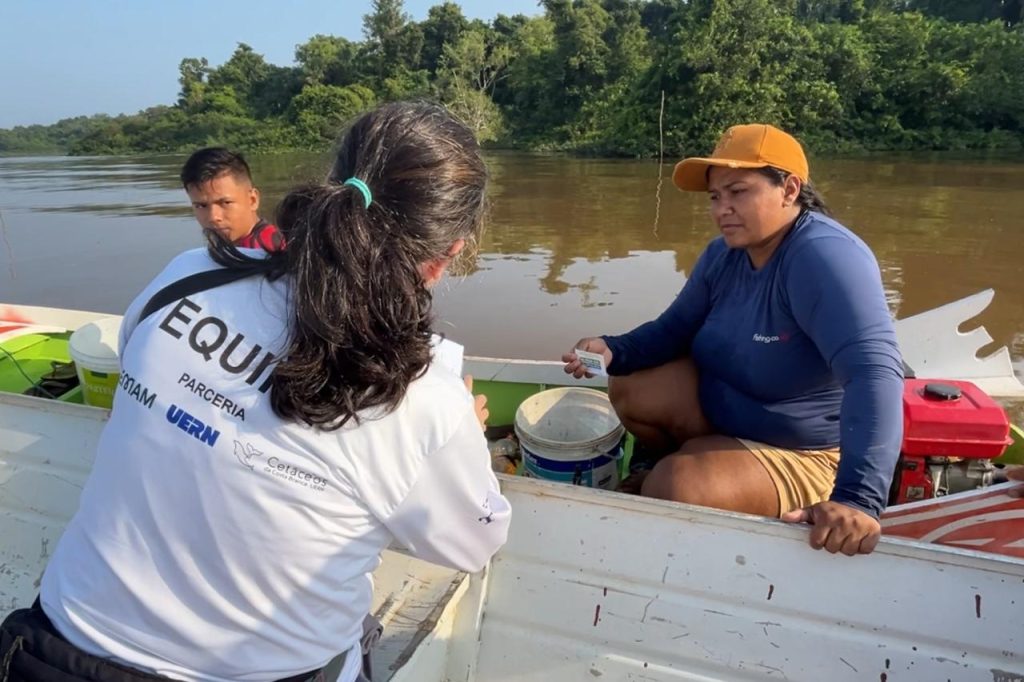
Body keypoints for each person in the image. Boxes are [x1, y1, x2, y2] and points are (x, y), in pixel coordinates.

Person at [1, 102, 510, 681]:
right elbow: (472, 546)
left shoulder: (186, 275)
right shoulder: (425, 397)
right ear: (448, 255)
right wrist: (462, 430)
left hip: (51, 652)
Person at [563, 123, 904, 556]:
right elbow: (673, 331)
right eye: (714, 197)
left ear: (790, 189)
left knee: (676, 486)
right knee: (631, 382)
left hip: (807, 450)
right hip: (730, 417)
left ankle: (679, 477)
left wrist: (858, 499)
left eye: (738, 192)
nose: (722, 209)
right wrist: (613, 348)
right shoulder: (723, 254)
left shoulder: (825, 256)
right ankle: (679, 467)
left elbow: (875, 375)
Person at [181, 147, 285, 251]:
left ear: (253, 200)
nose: (213, 217)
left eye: (225, 203)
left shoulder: (273, 251)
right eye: (201, 206)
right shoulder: (230, 250)